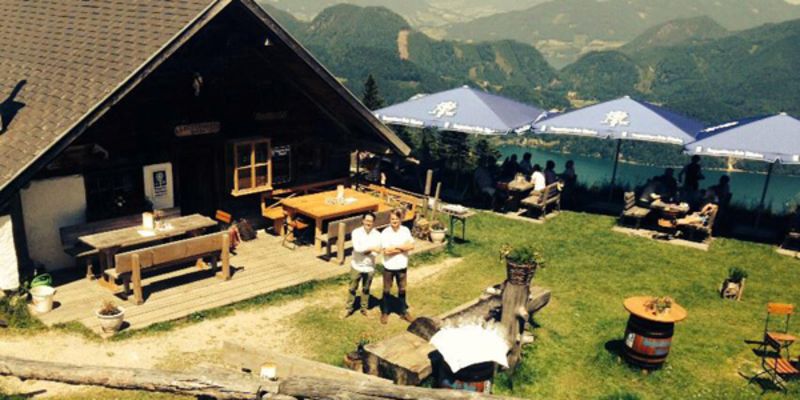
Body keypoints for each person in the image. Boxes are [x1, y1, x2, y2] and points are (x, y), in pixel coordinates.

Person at [343, 212, 382, 318]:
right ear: (363, 221)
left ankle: (364, 308)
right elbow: (357, 248)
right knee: (352, 288)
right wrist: (371, 248)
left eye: (371, 221)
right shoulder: (356, 232)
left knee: (366, 289)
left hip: (369, 267)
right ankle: (349, 308)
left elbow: (377, 251)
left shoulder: (377, 235)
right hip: (356, 265)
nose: (368, 223)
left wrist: (366, 250)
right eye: (367, 220)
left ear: (374, 222)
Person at [380, 209, 415, 324]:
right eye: (392, 219)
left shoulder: (405, 231)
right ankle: (385, 312)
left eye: (396, 219)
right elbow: (386, 251)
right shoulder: (385, 233)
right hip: (389, 267)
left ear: (400, 219)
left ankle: (403, 312)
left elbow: (411, 246)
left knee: (402, 289)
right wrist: (402, 248)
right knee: (386, 290)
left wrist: (395, 248)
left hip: (401, 265)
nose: (394, 221)